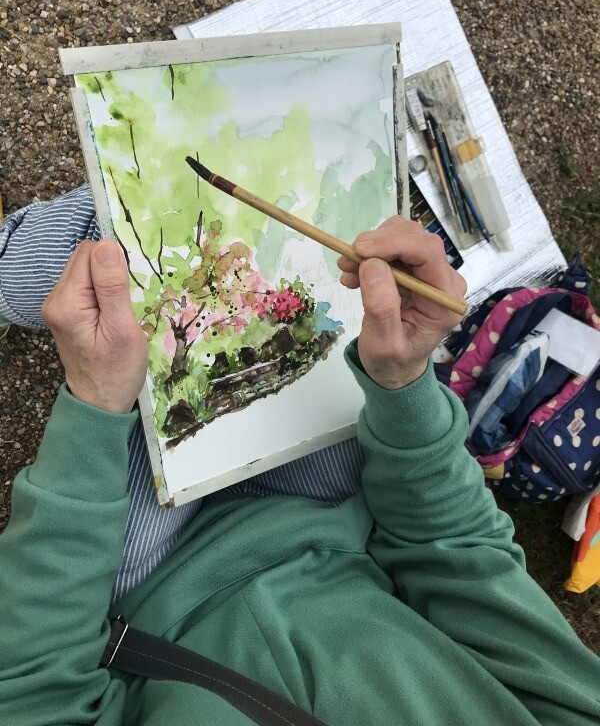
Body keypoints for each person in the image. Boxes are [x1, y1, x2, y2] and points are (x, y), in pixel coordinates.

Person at [0, 189, 600, 725]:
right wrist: (404, 381)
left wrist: (96, 409)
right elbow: (462, 554)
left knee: (110, 247)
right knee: (222, 224)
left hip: (138, 591)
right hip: (337, 512)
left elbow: (33, 694)